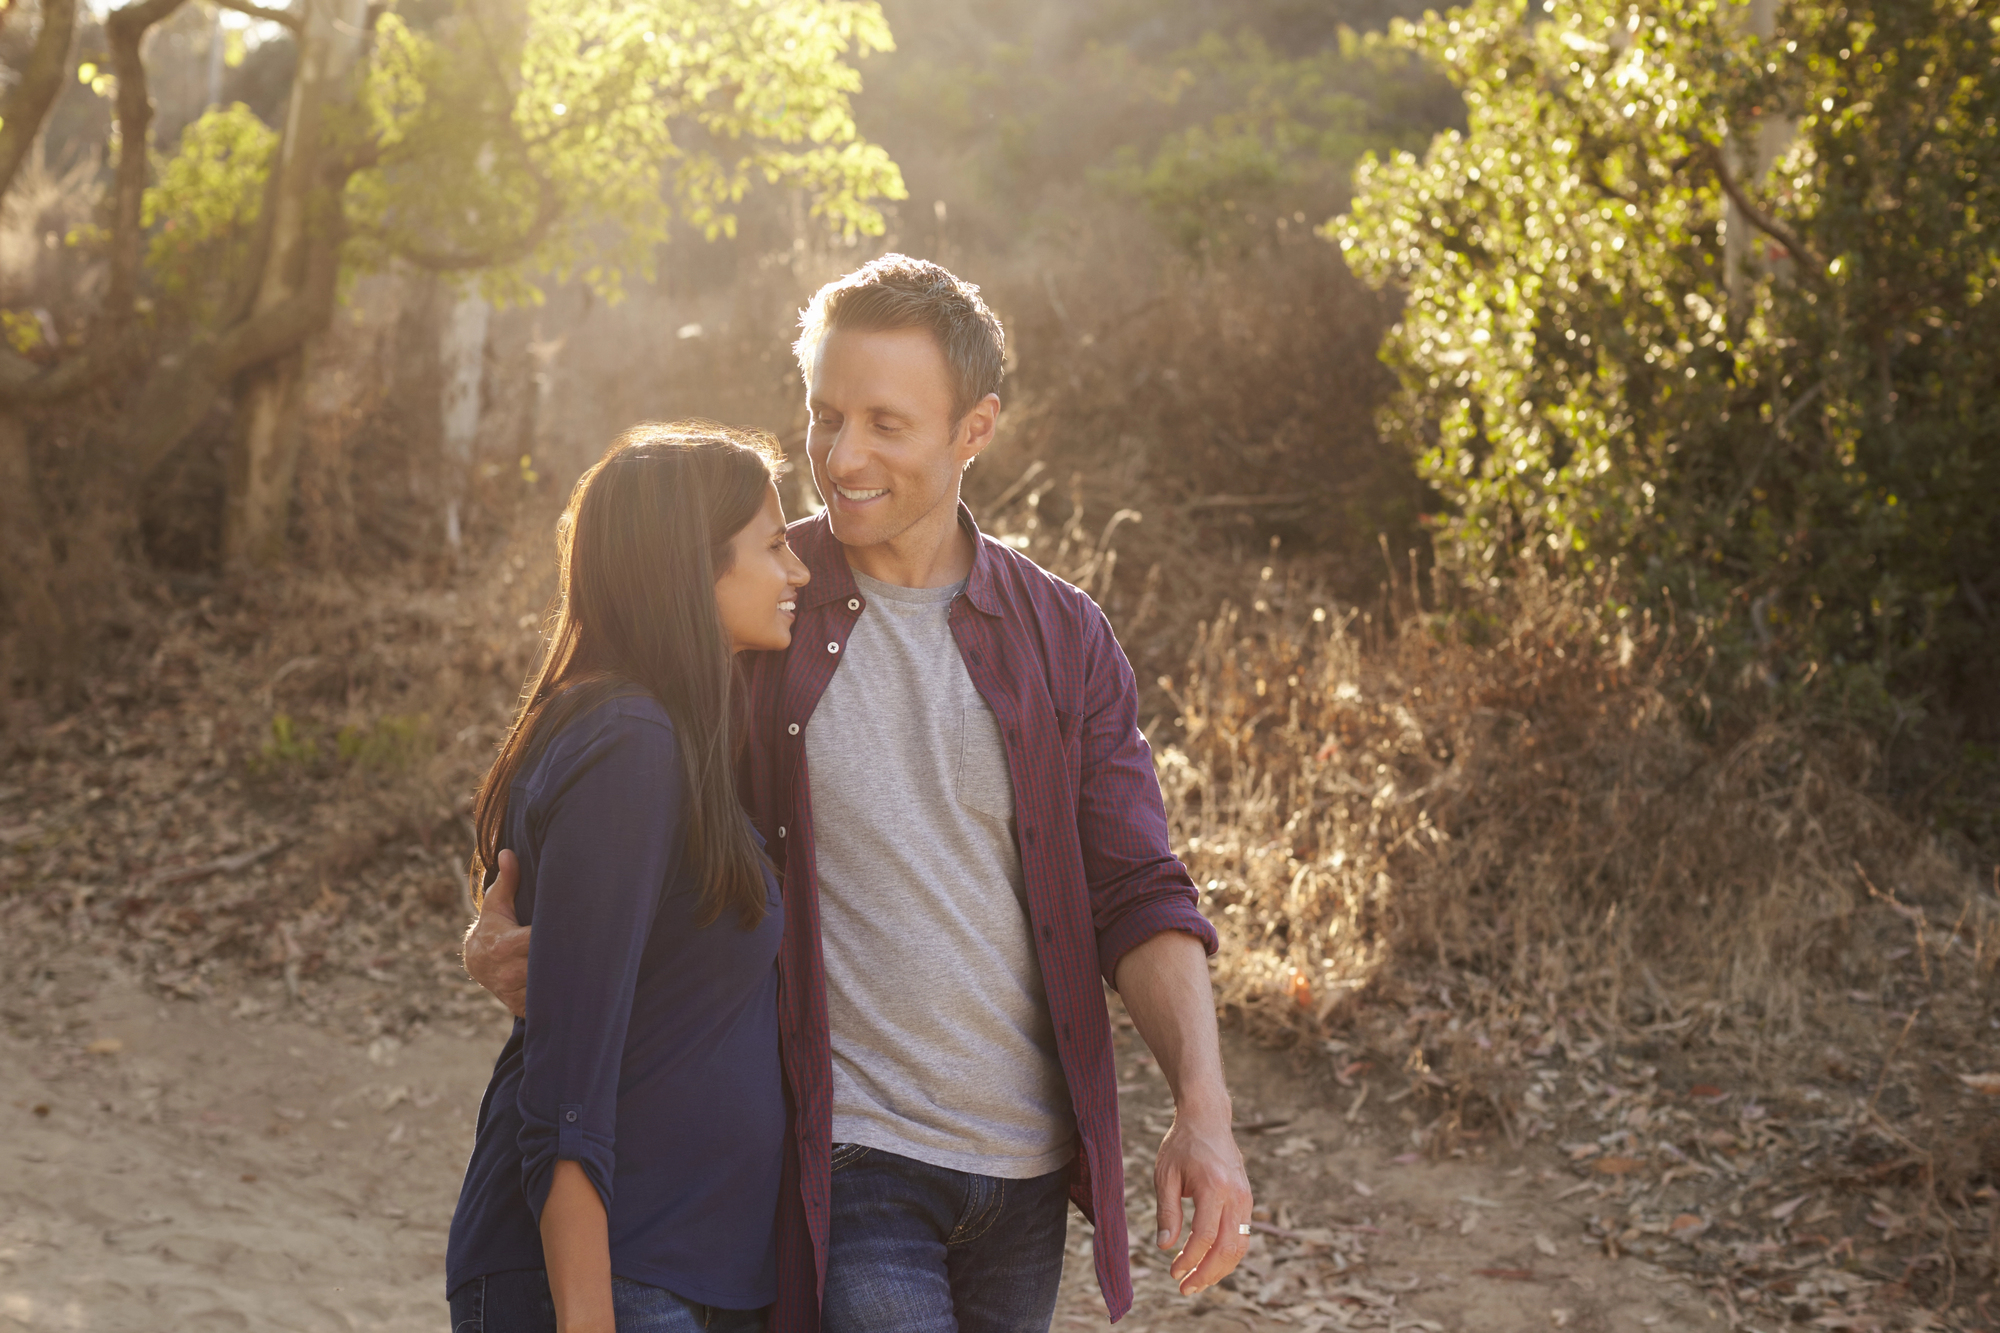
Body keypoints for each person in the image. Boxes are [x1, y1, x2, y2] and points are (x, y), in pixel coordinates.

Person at [465, 257, 1254, 1333]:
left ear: (972, 429)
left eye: (886, 423)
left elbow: (1138, 889)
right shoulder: (749, 602)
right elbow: (595, 771)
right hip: (846, 1159)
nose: (841, 458)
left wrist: (1200, 1112)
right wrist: (525, 942)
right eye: (824, 415)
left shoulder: (1062, 640)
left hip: (1023, 1171)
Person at [446, 423, 811, 1333]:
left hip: (679, 1269)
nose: (797, 572)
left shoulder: (665, 741)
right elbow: (569, 1082)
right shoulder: (630, 745)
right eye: (772, 547)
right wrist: (587, 1312)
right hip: (614, 1277)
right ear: (693, 568)